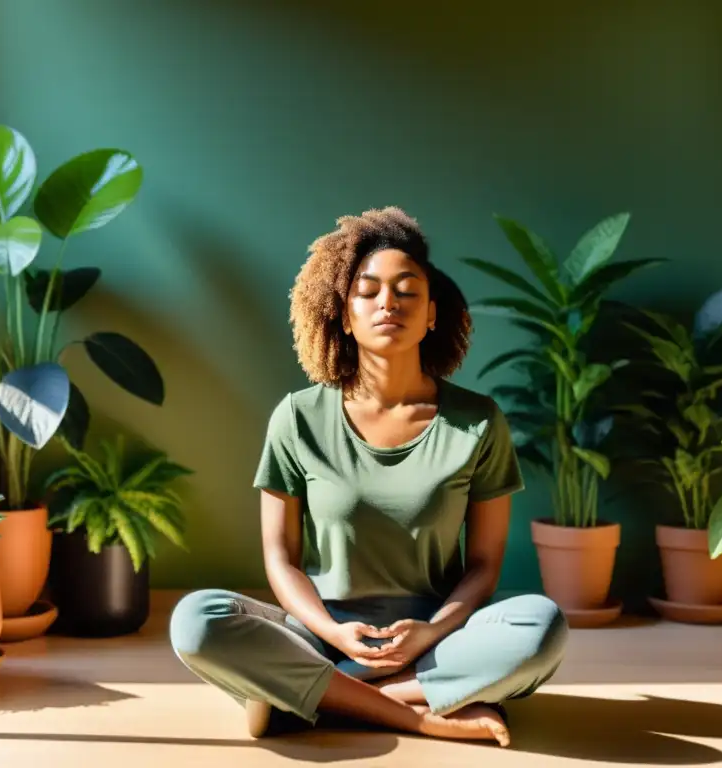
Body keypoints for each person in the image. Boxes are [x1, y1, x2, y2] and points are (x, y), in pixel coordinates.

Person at [169, 206, 567, 746]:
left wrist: (432, 629)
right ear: (345, 313)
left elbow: (484, 565)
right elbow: (280, 558)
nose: (388, 302)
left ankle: (313, 699)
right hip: (318, 635)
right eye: (368, 290)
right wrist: (332, 630)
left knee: (541, 626)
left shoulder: (477, 421)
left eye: (408, 290)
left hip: (436, 640)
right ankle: (414, 709)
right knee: (195, 619)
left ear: (431, 314)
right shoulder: (298, 417)